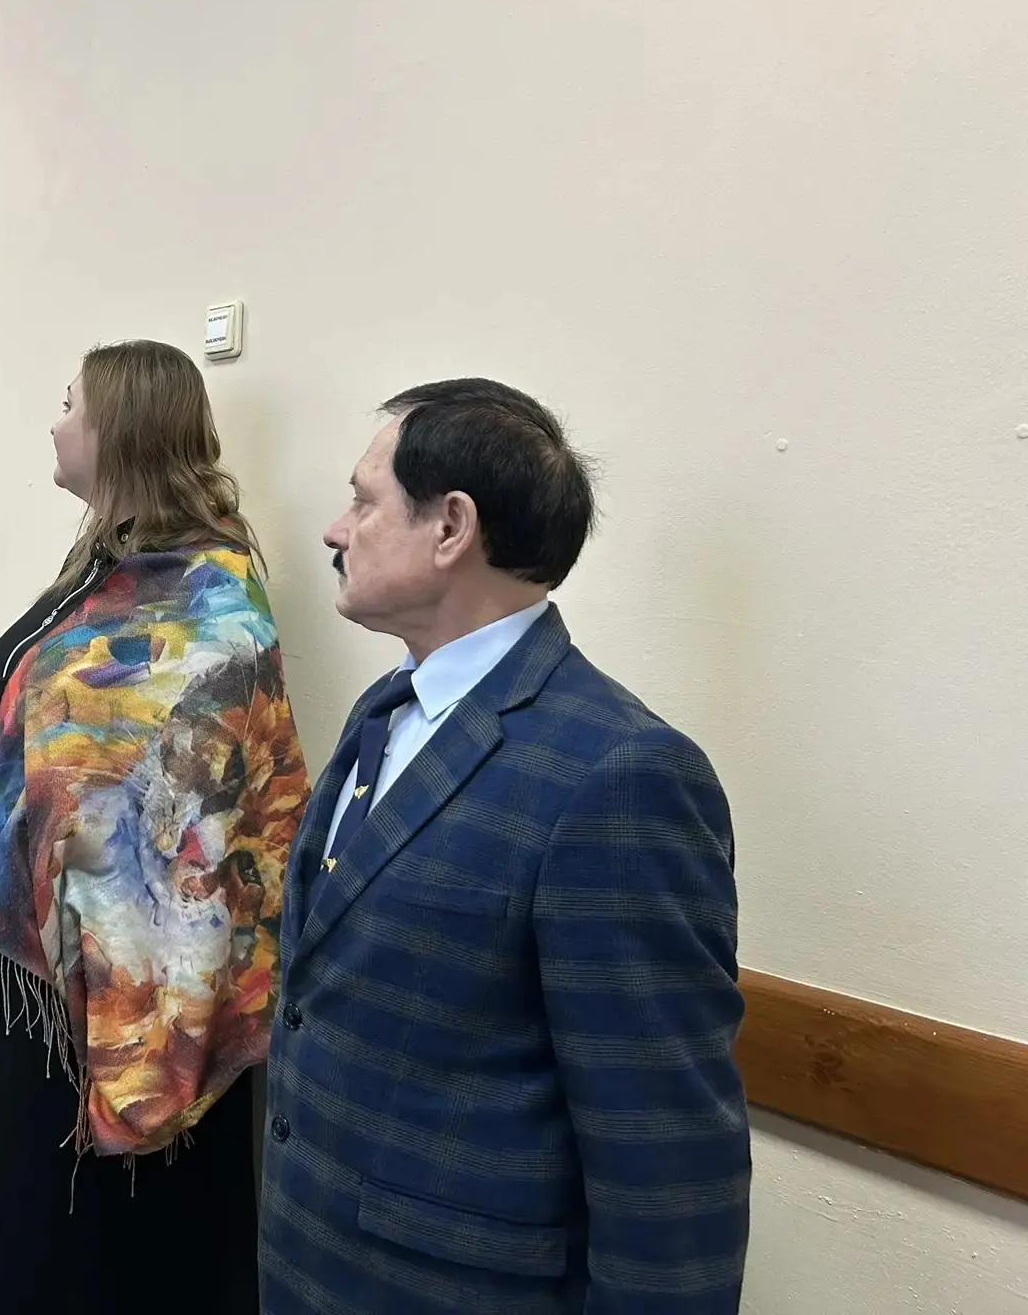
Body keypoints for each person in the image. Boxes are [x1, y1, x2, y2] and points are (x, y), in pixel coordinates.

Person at [261, 379, 750, 1314]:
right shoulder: (385, 713)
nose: (335, 530)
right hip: (314, 1266)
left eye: (364, 501)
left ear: (451, 526)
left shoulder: (622, 777)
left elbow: (668, 1165)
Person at [0, 340, 310, 1315]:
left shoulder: (212, 595)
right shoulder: (98, 568)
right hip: (29, 971)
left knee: (98, 1258)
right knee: (9, 1233)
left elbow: (203, 810)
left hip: (129, 989)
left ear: (121, 428)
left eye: (70, 404)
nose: (54, 422)